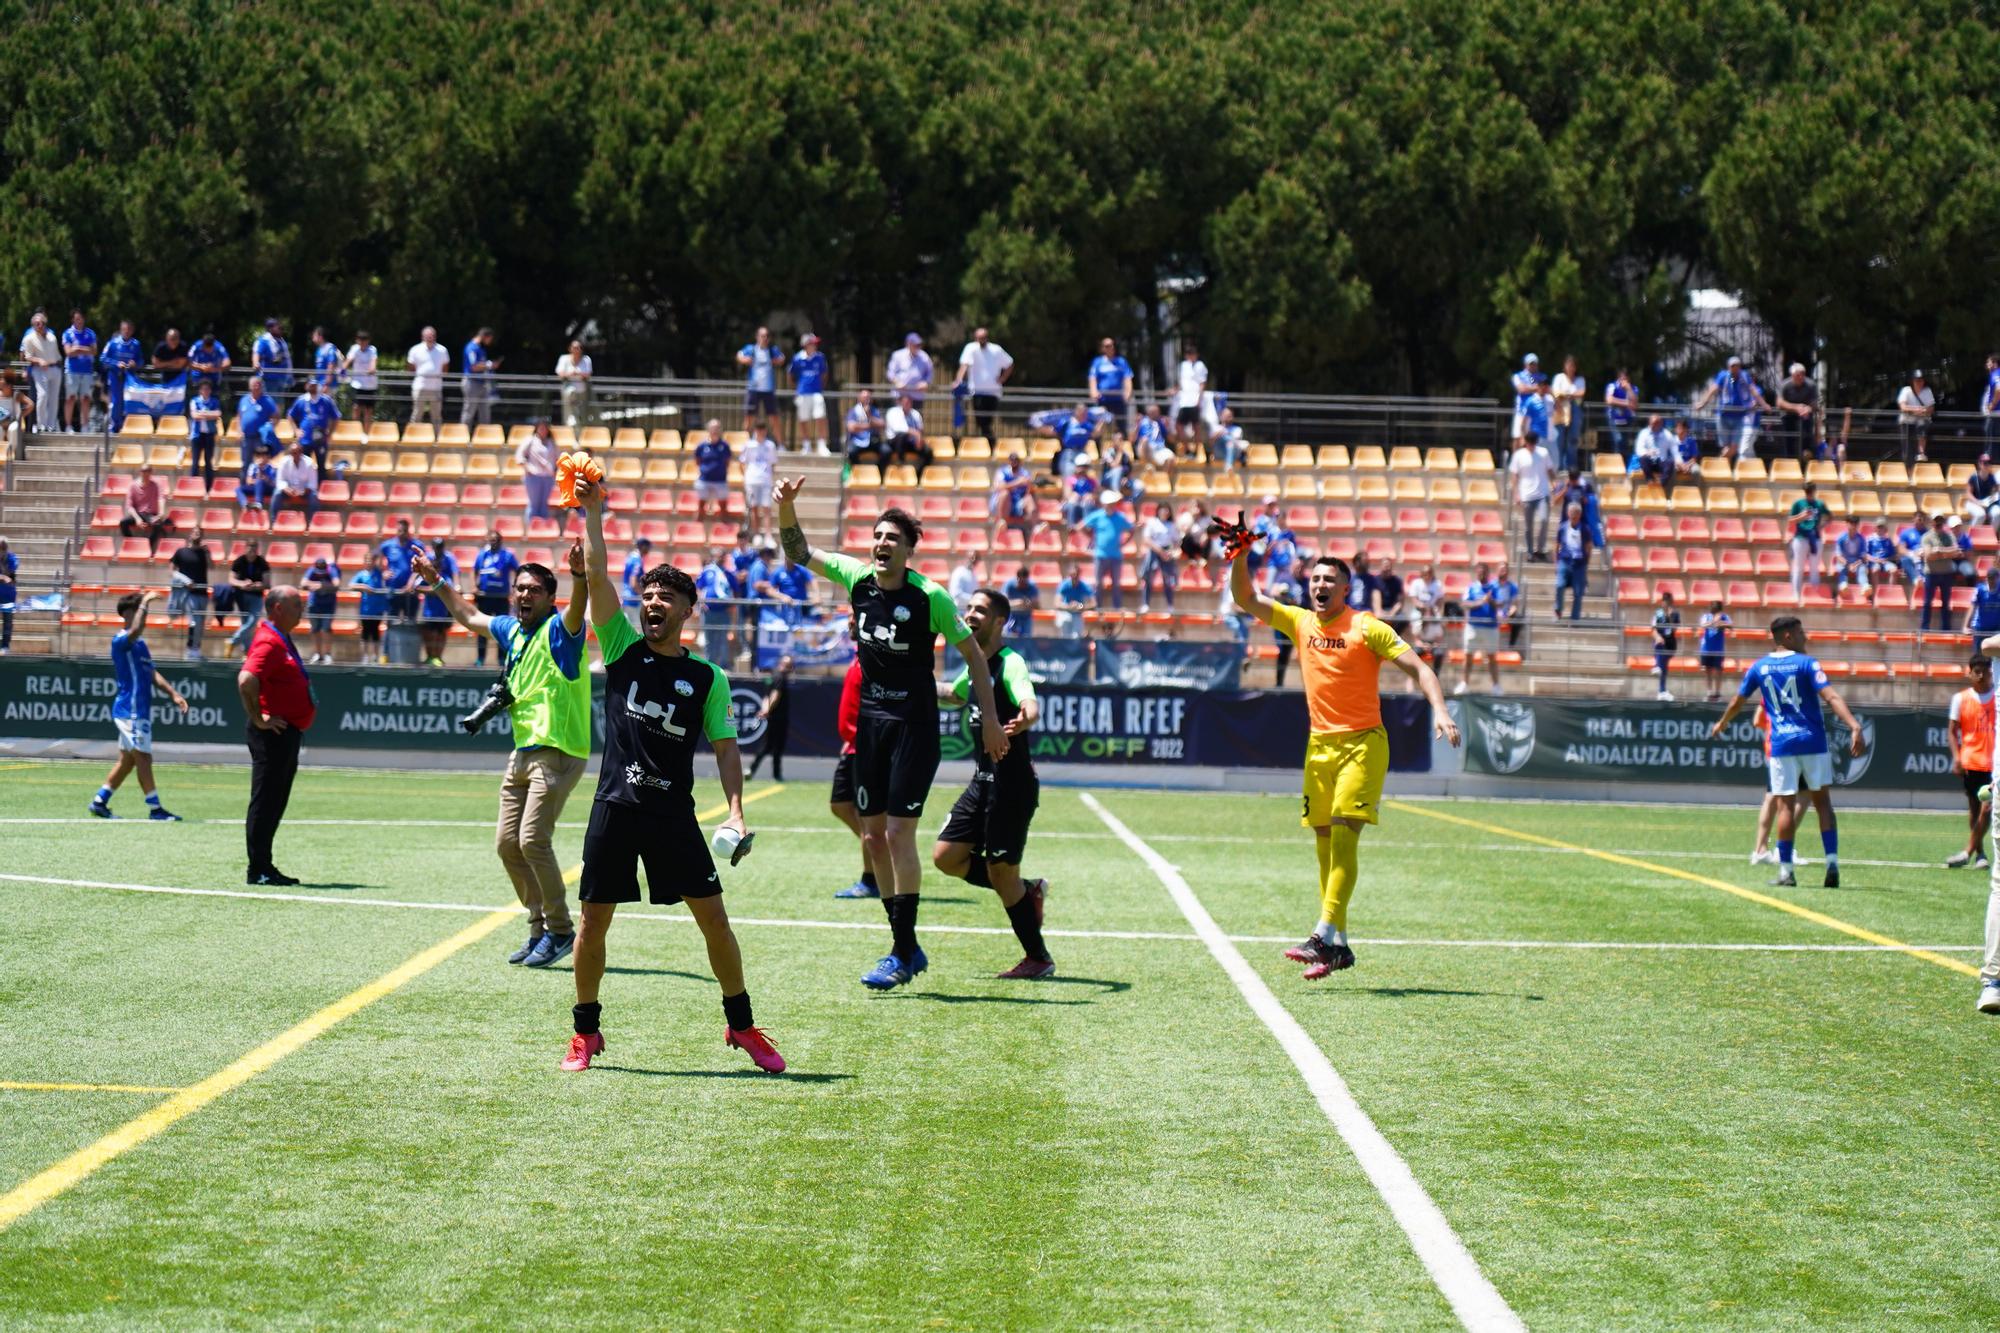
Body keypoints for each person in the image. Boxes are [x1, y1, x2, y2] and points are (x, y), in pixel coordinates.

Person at [563, 480, 782, 1074]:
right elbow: (600, 575)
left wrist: (735, 811)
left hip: (672, 816)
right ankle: (586, 1033)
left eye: (667, 597)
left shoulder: (709, 678)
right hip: (615, 806)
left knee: (714, 919)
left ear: (689, 611)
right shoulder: (620, 647)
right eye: (649, 595)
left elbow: (726, 749)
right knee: (593, 922)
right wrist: (593, 510)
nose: (653, 603)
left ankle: (742, 1026)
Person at [775, 475, 1007, 991]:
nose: (882, 544)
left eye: (892, 539)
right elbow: (797, 552)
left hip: (915, 726)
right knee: (873, 836)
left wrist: (989, 717)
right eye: (877, 536)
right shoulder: (856, 578)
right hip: (871, 727)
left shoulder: (932, 598)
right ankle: (904, 943)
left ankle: (902, 950)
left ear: (908, 550)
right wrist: (787, 508)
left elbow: (975, 657)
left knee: (899, 834)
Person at [1224, 534, 1458, 981]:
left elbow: (1421, 668)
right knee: (1325, 846)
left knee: (1346, 836)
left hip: (1363, 744)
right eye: (1314, 578)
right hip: (1319, 747)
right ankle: (1340, 946)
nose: (1319, 584)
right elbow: (1245, 596)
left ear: (1345, 589)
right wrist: (1240, 556)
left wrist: (1441, 711)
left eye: (1329, 579)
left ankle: (1321, 933)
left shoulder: (1367, 627)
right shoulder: (1298, 621)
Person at [414, 536, 593, 970]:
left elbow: (577, 609)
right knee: (506, 845)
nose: (524, 595)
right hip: (522, 751)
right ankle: (540, 928)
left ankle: (562, 929)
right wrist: (438, 581)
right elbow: (469, 614)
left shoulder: (560, 630)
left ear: (551, 598)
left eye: (534, 589)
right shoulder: (512, 630)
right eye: (520, 588)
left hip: (558, 749)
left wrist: (580, 576)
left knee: (532, 840)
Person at [930, 587, 1055, 978]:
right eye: (969, 608)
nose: (970, 615)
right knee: (946, 857)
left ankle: (1038, 958)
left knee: (1002, 873)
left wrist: (1026, 717)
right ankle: (1025, 889)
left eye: (980, 610)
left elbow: (1029, 702)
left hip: (1011, 786)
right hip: (981, 782)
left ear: (1000, 622)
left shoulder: (1009, 662)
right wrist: (911, 685)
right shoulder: (975, 664)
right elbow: (953, 694)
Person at [1710, 615, 1867, 888]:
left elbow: (1738, 700)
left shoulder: (1760, 667)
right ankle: (1831, 864)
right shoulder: (1808, 663)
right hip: (1813, 741)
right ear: (1787, 636)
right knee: (1823, 804)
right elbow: (1831, 697)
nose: (1805, 637)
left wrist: (1722, 723)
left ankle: (1786, 872)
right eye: (1800, 632)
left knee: (1784, 806)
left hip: (1782, 744)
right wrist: (1854, 725)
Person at [87, 591, 191, 820]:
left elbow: (151, 672)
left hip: (137, 709)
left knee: (128, 761)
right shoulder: (121, 640)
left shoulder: (140, 645)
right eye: (138, 611)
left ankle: (99, 802)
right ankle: (155, 809)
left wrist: (173, 694)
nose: (142, 616)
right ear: (127, 614)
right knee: (143, 757)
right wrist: (145, 602)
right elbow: (136, 630)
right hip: (130, 710)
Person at [237, 586, 316, 886]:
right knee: (266, 801)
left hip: (284, 734)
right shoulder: (270, 642)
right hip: (272, 736)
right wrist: (259, 718)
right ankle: (258, 868)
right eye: (297, 604)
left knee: (274, 801)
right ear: (278, 608)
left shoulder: (279, 639)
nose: (302, 609)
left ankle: (264, 865)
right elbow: (246, 680)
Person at [828, 646, 882, 899]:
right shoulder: (857, 657)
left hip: (863, 747)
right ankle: (877, 847)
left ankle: (871, 879)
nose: (851, 622)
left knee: (865, 816)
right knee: (839, 804)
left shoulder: (874, 661)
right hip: (851, 746)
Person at [1946, 654, 1995, 870]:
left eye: (1985, 670)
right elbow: (1951, 731)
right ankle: (1981, 854)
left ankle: (1968, 852)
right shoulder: (1961, 699)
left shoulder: (1997, 696)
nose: (1982, 675)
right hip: (1971, 762)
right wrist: (1956, 757)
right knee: (1975, 810)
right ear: (1970, 673)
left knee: (1988, 808)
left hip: (1994, 764)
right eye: (1977, 671)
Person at [1692, 354, 1771, 460]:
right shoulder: (1724, 376)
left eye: (1737, 366)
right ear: (1729, 367)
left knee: (1734, 448)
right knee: (1726, 447)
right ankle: (1723, 472)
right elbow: (1713, 390)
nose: (1735, 368)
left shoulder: (1744, 376)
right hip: (1724, 416)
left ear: (1739, 367)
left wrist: (1764, 404)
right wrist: (1702, 403)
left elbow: (1753, 391)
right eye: (1733, 366)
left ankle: (1717, 465)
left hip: (1739, 417)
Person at [953, 327, 1014, 442]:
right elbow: (964, 365)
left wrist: (1003, 378)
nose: (980, 340)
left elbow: (1010, 363)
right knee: (981, 421)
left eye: (982, 338)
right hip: (977, 392)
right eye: (978, 338)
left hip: (993, 392)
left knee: (987, 421)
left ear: (987, 338)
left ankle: (989, 443)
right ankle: (991, 443)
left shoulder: (996, 349)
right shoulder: (970, 348)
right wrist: (958, 380)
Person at [471, 531, 520, 668]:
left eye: (496, 540)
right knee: (482, 629)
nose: (493, 542)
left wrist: (515, 587)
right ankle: (480, 659)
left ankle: (501, 660)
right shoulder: (482, 555)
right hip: (485, 597)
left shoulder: (507, 555)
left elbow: (518, 570)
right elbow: (474, 571)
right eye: (491, 540)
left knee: (502, 629)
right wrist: (474, 586)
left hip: (501, 598)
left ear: (501, 541)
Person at [1080, 491, 1134, 610]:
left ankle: (1117, 607)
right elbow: (1082, 526)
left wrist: (1124, 543)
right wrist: (1092, 537)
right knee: (1098, 583)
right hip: (1100, 555)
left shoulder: (1120, 517)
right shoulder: (1097, 516)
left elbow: (1131, 529)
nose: (1110, 506)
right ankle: (1097, 606)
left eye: (1112, 503)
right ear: (1103, 504)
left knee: (1116, 584)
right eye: (1108, 504)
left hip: (1115, 556)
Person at [1455, 562, 1502, 695]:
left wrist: (1490, 600)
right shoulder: (1471, 587)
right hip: (1473, 627)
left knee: (1492, 657)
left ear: (1488, 573)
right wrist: (1480, 602)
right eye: (1479, 572)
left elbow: (1500, 604)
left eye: (1484, 572)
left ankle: (1496, 686)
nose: (1481, 574)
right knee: (1468, 656)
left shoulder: (1494, 588)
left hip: (1490, 627)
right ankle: (1464, 683)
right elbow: (1464, 604)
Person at [1509, 433, 1555, 562]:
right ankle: (1530, 552)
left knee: (1544, 520)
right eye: (1529, 443)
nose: (1531, 445)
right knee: (1528, 526)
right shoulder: (1518, 455)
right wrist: (1516, 494)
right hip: (1527, 495)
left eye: (1533, 443)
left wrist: (1553, 483)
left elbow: (1550, 470)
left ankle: (1540, 549)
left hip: (1542, 494)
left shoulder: (1544, 453)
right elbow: (1514, 476)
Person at [747, 655, 791, 780]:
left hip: (773, 717)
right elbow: (775, 695)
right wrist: (768, 710)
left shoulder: (773, 677)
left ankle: (772, 773)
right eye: (787, 665)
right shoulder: (780, 678)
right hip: (779, 718)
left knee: (770, 746)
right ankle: (760, 771)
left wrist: (765, 710)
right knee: (773, 747)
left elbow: (767, 696)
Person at [227, 537, 272, 656]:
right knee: (246, 624)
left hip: (256, 596)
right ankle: (246, 653)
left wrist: (258, 585)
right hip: (241, 596)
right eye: (250, 546)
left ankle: (232, 641)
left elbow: (267, 583)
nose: (252, 549)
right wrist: (242, 584)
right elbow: (231, 579)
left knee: (252, 621)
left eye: (254, 546)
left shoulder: (262, 563)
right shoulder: (239, 561)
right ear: (245, 548)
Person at [417, 543, 460, 666]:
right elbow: (416, 587)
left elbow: (445, 589)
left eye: (438, 567)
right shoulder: (427, 577)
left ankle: (438, 657)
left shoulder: (445, 577)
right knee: (428, 634)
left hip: (442, 610)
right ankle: (429, 656)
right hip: (429, 611)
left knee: (440, 634)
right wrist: (432, 590)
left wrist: (431, 590)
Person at [19, 311, 62, 434]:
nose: (40, 325)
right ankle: (41, 425)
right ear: (33, 325)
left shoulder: (52, 336)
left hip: (55, 368)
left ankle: (51, 426)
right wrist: (39, 360)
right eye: (37, 323)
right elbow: (27, 357)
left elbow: (56, 354)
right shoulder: (29, 338)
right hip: (39, 369)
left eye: (42, 323)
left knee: (54, 399)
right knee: (42, 396)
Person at [1787, 481, 1832, 595]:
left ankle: (1814, 594)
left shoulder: (1820, 504)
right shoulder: (1798, 504)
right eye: (1807, 492)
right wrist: (1802, 516)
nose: (1809, 494)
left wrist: (1821, 526)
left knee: (1814, 568)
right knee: (1798, 567)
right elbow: (1790, 520)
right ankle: (1795, 594)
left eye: (1810, 491)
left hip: (1815, 538)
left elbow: (1830, 517)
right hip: (1801, 537)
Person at [737, 326, 783, 438]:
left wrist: (776, 361)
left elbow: (782, 358)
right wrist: (745, 360)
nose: (765, 338)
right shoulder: (751, 349)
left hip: (768, 389)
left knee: (774, 417)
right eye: (762, 336)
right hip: (753, 389)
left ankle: (780, 444)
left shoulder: (772, 350)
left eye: (767, 336)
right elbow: (739, 355)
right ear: (757, 337)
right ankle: (746, 441)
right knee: (749, 417)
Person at [788, 332, 830, 455]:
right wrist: (796, 390)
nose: (815, 345)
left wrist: (820, 387)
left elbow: (824, 374)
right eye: (812, 343)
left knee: (820, 417)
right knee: (803, 419)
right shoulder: (797, 358)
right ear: (806, 345)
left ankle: (821, 444)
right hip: (802, 393)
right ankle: (806, 445)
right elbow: (790, 374)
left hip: (817, 392)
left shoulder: (820, 357)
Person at [287, 378, 341, 472]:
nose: (312, 387)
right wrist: (296, 430)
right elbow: (290, 415)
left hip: (321, 440)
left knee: (321, 467)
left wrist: (330, 433)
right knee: (303, 467)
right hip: (305, 440)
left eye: (314, 385)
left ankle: (321, 485)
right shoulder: (301, 400)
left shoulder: (326, 400)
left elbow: (336, 417)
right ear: (306, 386)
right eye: (310, 385)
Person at [119, 463, 173, 554]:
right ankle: (131, 545)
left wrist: (161, 513)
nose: (145, 473)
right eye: (143, 471)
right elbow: (129, 506)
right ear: (140, 472)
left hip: (150, 514)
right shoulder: (133, 485)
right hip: (138, 513)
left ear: (151, 472)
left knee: (157, 525)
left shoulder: (156, 485)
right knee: (123, 522)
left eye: (148, 471)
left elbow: (161, 498)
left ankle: (148, 547)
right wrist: (137, 519)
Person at [1919, 513, 1960, 632]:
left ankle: (1946, 629)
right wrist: (1946, 554)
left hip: (1946, 573)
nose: (1938, 523)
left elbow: (1956, 551)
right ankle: (1925, 628)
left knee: (1946, 603)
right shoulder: (1927, 537)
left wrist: (1939, 551)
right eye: (1936, 520)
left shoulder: (1949, 535)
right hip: (1931, 573)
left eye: (1940, 520)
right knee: (1927, 603)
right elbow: (1928, 556)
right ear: (1932, 522)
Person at [101, 319, 142, 433]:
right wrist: (116, 364)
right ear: (121, 329)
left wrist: (135, 364)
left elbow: (141, 360)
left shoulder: (136, 344)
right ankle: (114, 426)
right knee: (116, 401)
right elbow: (103, 359)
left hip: (130, 379)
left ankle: (127, 426)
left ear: (132, 330)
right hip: (115, 377)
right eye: (124, 329)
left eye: (129, 329)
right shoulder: (113, 343)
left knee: (129, 401)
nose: (126, 331)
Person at [1553, 500, 1593, 620]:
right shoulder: (1563, 528)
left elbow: (1589, 546)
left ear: (1579, 515)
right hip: (1564, 561)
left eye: (1576, 514)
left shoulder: (1585, 529)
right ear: (1568, 513)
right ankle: (1558, 610)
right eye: (1571, 513)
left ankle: (1575, 617)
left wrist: (1586, 562)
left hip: (1579, 564)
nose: (1573, 516)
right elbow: (1556, 545)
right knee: (1559, 585)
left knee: (1578, 592)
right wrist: (1556, 562)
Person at [60, 310, 98, 431]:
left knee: (86, 398)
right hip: (72, 370)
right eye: (77, 319)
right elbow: (68, 352)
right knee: (70, 398)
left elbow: (94, 351)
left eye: (81, 319)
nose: (79, 321)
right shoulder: (67, 333)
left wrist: (78, 348)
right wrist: (85, 349)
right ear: (73, 320)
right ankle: (68, 425)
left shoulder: (90, 333)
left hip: (87, 370)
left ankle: (85, 425)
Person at [1138, 500, 1179, 612]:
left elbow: (1176, 541)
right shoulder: (1152, 522)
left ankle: (1170, 605)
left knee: (1168, 579)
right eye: (1163, 509)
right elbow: (1146, 539)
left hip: (1167, 553)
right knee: (1148, 578)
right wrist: (1160, 551)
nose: (1165, 512)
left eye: (1167, 510)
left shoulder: (1172, 525)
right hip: (1154, 551)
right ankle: (1145, 604)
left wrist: (1171, 552)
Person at [379, 519, 422, 624]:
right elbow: (377, 558)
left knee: (410, 623)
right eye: (399, 530)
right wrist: (383, 571)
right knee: (392, 622)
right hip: (393, 590)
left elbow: (421, 565)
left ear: (408, 531)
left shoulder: (416, 546)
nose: (401, 533)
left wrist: (412, 581)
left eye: (404, 531)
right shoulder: (387, 545)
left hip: (410, 591)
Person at [1549, 355, 1586, 474]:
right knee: (1559, 439)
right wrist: (1569, 395)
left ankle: (1571, 468)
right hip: (1561, 409)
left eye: (1573, 365)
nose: (1570, 367)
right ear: (1564, 366)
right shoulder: (1559, 378)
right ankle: (1559, 466)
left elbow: (1581, 393)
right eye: (1568, 365)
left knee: (1573, 440)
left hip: (1575, 410)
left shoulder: (1580, 380)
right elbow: (1555, 393)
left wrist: (1565, 395)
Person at [351, 552, 391, 664]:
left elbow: (385, 577)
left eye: (371, 560)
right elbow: (351, 585)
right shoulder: (361, 575)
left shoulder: (379, 573)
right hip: (365, 609)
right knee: (365, 633)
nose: (369, 562)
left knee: (375, 633)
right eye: (367, 560)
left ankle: (375, 656)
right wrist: (363, 587)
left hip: (377, 609)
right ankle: (365, 657)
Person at [1088, 336, 1134, 433]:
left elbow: (1127, 378)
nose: (1111, 347)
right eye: (1107, 346)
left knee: (1121, 426)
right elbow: (1092, 378)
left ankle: (1121, 445)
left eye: (1112, 345)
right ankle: (1100, 446)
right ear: (1102, 348)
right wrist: (1093, 391)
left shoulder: (1121, 362)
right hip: (1102, 399)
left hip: (1118, 399)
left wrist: (1128, 392)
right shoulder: (1097, 362)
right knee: (1099, 425)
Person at [742, 418, 778, 537]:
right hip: (752, 480)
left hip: (765, 480)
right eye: (759, 429)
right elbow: (742, 462)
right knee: (754, 508)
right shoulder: (748, 445)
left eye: (763, 429)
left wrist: (769, 476)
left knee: (767, 508)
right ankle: (757, 533)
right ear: (755, 430)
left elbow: (773, 464)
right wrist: (746, 476)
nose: (761, 431)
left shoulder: (770, 445)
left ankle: (768, 535)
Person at [517, 419, 558, 525]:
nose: (543, 430)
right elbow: (520, 456)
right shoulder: (530, 440)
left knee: (544, 504)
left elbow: (556, 458)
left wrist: (555, 471)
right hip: (533, 476)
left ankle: (542, 527)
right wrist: (527, 468)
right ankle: (531, 526)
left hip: (548, 477)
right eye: (541, 428)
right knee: (534, 504)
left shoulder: (551, 442)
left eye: (545, 428)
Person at [406, 326, 448, 426]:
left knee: (436, 415)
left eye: (432, 336)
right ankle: (414, 438)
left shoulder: (442, 350)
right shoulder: (415, 350)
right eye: (427, 336)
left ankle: (437, 439)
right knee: (417, 414)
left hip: (436, 388)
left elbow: (445, 369)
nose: (430, 338)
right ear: (422, 337)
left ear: (435, 337)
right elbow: (411, 368)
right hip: (420, 387)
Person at [1775, 363, 1818, 460]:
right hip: (1788, 416)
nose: (1800, 377)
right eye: (1798, 375)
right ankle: (1789, 462)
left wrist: (1807, 408)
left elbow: (1815, 403)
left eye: (1802, 374)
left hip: (1805, 416)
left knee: (1806, 439)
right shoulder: (1785, 384)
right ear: (1792, 375)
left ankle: (1807, 458)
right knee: (1788, 441)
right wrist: (1796, 408)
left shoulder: (1811, 385)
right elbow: (1779, 403)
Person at [302, 556, 340, 664]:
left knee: (326, 629)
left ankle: (327, 654)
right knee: (315, 629)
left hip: (328, 605)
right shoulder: (311, 570)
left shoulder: (332, 570)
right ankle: (317, 654)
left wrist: (322, 586)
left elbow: (336, 584)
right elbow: (303, 584)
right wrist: (318, 585)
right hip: (314, 604)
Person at [692, 419, 732, 521]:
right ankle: (699, 524)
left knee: (723, 506)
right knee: (701, 505)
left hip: (720, 480)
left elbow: (727, 462)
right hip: (704, 479)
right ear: (708, 429)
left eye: (717, 428)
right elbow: (697, 461)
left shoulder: (725, 446)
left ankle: (724, 525)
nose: (715, 430)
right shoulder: (701, 446)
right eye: (713, 428)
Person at [187, 378, 222, 489]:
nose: (205, 391)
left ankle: (208, 488)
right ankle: (193, 487)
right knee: (195, 462)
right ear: (200, 390)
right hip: (197, 435)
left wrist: (203, 413)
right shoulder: (194, 401)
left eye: (207, 389)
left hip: (209, 435)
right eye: (203, 389)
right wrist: (209, 415)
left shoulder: (214, 401)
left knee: (208, 462)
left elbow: (218, 414)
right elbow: (194, 416)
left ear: (210, 390)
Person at [272, 441, 321, 522]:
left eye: (296, 452)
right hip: (288, 491)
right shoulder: (284, 462)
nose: (294, 455)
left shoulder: (309, 463)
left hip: (304, 492)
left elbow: (313, 484)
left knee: (314, 496)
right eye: (292, 453)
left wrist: (303, 491)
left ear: (301, 453)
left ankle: (313, 522)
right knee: (277, 493)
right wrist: (287, 489)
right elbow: (280, 481)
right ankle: (274, 522)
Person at [460, 327, 499, 425]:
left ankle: (485, 437)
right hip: (472, 383)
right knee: (469, 412)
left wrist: (488, 365)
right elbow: (473, 367)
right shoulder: (471, 348)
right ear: (485, 336)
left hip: (482, 383)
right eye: (489, 339)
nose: (490, 341)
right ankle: (463, 437)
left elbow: (481, 365)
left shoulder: (481, 349)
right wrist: (489, 365)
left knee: (485, 412)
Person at [342, 330, 379, 432]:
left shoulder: (372, 350)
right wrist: (342, 370)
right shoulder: (354, 349)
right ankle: (355, 432)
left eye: (365, 340)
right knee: (356, 408)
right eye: (360, 340)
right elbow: (348, 361)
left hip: (370, 385)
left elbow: (373, 364)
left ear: (368, 341)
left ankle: (366, 433)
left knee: (368, 411)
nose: (362, 342)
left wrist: (371, 369)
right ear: (357, 340)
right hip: (357, 384)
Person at [883, 393, 929, 474]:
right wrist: (916, 434)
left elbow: (920, 429)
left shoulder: (915, 414)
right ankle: (900, 462)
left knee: (928, 452)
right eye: (905, 402)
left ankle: (919, 474)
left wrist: (919, 440)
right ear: (900, 403)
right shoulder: (893, 412)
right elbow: (898, 429)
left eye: (909, 402)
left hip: (911, 442)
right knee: (902, 436)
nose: (907, 404)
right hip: (894, 442)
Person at [1897, 370, 1936, 465]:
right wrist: (1917, 410)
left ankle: (1921, 453)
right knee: (1907, 450)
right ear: (1912, 381)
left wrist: (1923, 411)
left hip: (1921, 421)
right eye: (1917, 380)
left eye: (1921, 380)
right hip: (1907, 422)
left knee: (1922, 426)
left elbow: (1931, 408)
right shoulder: (1906, 390)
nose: (1919, 383)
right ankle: (1908, 469)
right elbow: (1902, 407)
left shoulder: (1927, 391)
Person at [236, 375, 281, 456]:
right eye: (255, 384)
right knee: (246, 464)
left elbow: (276, 416)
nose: (257, 386)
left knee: (260, 461)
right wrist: (239, 431)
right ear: (250, 387)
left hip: (260, 438)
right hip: (246, 437)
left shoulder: (267, 400)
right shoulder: (244, 399)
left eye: (259, 384)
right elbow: (239, 416)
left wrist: (270, 427)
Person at [886, 332, 932, 407]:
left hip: (916, 396)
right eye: (915, 345)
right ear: (908, 344)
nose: (918, 347)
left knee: (916, 418)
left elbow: (929, 373)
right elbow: (890, 373)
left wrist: (925, 383)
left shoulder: (925, 357)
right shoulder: (897, 355)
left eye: (919, 345)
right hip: (899, 396)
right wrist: (897, 382)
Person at [1650, 588, 1680, 702]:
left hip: (1670, 643)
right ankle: (1662, 691)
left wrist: (1669, 617)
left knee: (1663, 666)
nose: (1666, 603)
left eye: (1668, 601)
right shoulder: (1657, 613)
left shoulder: (1675, 614)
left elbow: (1674, 628)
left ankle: (1662, 689)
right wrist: (1657, 636)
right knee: (1663, 666)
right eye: (1664, 601)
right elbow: (1653, 629)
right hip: (1660, 642)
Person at [1698, 602, 1732, 702]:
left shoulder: (1724, 617)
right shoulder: (1706, 616)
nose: (1713, 609)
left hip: (1718, 649)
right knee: (1707, 670)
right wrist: (1713, 621)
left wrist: (1721, 623)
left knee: (1718, 671)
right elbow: (1703, 625)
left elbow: (1730, 625)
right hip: (1706, 649)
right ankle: (1709, 692)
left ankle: (1717, 693)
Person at [554, 340, 592, 427]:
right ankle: (570, 424)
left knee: (582, 414)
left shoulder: (586, 359)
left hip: (583, 392)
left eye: (579, 348)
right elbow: (560, 373)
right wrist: (571, 374)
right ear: (570, 349)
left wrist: (577, 373)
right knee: (570, 394)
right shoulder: (563, 358)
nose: (576, 350)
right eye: (574, 347)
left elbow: (588, 374)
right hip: (567, 392)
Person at [187, 326, 230, 399]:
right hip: (198, 379)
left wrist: (214, 369)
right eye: (206, 348)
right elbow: (187, 361)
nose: (208, 351)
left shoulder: (219, 347)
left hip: (214, 379)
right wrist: (201, 367)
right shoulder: (196, 346)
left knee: (214, 401)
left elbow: (228, 363)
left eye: (210, 349)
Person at [252, 318, 292, 395]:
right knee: (270, 402)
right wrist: (255, 362)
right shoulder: (264, 340)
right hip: (268, 379)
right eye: (277, 327)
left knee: (279, 404)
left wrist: (289, 377)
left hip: (281, 379)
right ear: (271, 328)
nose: (280, 328)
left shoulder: (281, 341)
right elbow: (256, 352)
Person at [1054, 561, 1094, 638]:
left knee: (1076, 637)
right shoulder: (1064, 585)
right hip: (1065, 612)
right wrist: (1069, 606)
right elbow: (1057, 603)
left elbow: (1093, 604)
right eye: (1072, 575)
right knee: (1064, 633)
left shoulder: (1084, 586)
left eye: (1076, 575)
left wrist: (1081, 606)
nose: (1074, 577)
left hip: (1077, 614)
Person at [1603, 368, 1637, 456]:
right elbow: (1609, 400)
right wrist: (1626, 403)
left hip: (1628, 419)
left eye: (1625, 379)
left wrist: (1629, 390)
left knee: (1625, 443)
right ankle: (1617, 464)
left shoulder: (1633, 388)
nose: (1623, 381)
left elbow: (1634, 404)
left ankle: (1624, 465)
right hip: (1614, 418)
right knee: (1618, 440)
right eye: (1621, 378)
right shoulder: (1612, 386)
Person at [1509, 353, 1543, 440]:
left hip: (1534, 412)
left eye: (1534, 364)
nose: (1533, 366)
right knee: (1518, 436)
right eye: (1530, 364)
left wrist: (1528, 388)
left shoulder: (1539, 377)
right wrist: (1533, 388)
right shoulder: (1518, 376)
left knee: (1531, 438)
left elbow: (1540, 389)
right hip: (1521, 410)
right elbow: (1521, 389)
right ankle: (1516, 454)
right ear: (1525, 364)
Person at [236, 444, 277, 516]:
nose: (261, 458)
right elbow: (248, 481)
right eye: (259, 456)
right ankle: (245, 505)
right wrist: (258, 479)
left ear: (268, 457)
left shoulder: (271, 468)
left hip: (268, 489)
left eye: (263, 456)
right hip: (256, 488)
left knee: (260, 481)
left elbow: (274, 484)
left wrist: (265, 479)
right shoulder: (253, 466)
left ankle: (258, 503)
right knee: (239, 489)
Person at [844, 388, 884, 462]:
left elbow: (882, 424)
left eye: (868, 397)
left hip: (873, 441)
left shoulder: (874, 410)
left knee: (886, 451)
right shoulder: (853, 411)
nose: (867, 399)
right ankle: (857, 470)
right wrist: (870, 426)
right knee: (851, 452)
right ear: (859, 398)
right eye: (864, 397)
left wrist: (869, 416)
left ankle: (880, 471)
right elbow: (851, 427)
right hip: (857, 441)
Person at [1966, 456, 2000, 528]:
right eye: (1984, 463)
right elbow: (1968, 494)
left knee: (1998, 514)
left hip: (1988, 504)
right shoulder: (1974, 477)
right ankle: (1971, 536)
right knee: (1980, 514)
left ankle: (1990, 535)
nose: (1987, 465)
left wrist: (1991, 500)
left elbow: (1996, 493)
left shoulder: (1992, 478)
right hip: (1973, 503)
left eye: (1989, 463)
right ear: (1979, 464)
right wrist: (1978, 503)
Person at [309, 325, 342, 390]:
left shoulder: (330, 348)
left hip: (328, 386)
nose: (312, 338)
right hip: (320, 384)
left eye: (314, 335)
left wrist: (327, 384)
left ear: (320, 337)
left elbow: (331, 366)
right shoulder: (319, 350)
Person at [0, 538, 14, 656]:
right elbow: (5, 577)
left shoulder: (11, 558)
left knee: (7, 621)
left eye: (3, 548)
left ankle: (5, 647)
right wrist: (2, 577)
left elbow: (10, 573)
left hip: (8, 594)